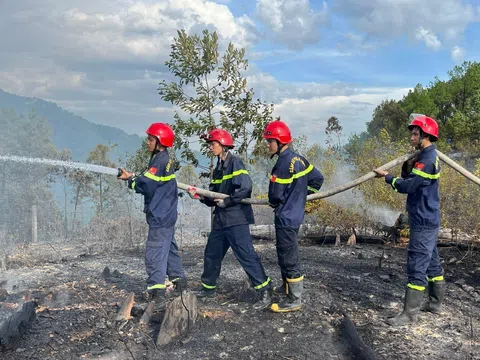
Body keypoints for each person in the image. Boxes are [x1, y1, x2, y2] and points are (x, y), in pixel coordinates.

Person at [187, 128, 273, 310]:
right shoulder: (218, 168)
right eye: (210, 144)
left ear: (223, 145)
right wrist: (200, 196)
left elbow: (245, 188)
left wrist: (227, 202)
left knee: (246, 255)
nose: (210, 147)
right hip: (221, 221)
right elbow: (213, 198)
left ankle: (265, 290)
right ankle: (208, 290)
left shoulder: (235, 163)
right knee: (212, 254)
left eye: (213, 144)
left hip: (236, 219)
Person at [373, 114, 445, 326]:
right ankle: (434, 304)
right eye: (411, 133)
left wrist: (387, 177)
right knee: (432, 263)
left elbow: (408, 186)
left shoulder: (428, 159)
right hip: (426, 217)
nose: (411, 137)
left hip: (423, 219)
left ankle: (409, 314)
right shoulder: (424, 155)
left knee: (416, 265)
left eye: (415, 133)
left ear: (425, 135)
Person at [118, 122, 187, 311]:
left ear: (160, 142)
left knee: (155, 252)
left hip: (160, 215)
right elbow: (150, 178)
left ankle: (157, 294)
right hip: (166, 214)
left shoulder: (160, 161)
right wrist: (133, 175)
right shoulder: (161, 159)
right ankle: (180, 284)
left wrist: (130, 181)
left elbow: (146, 185)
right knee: (169, 248)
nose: (147, 142)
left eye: (150, 139)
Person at [262, 120, 324, 313]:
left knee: (289, 256)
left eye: (270, 141)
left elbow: (275, 196)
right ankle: (286, 286)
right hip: (295, 215)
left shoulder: (282, 164)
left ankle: (294, 299)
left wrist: (292, 198)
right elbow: (317, 178)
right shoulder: (299, 159)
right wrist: (302, 197)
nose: (267, 145)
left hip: (285, 217)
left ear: (280, 142)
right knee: (284, 251)